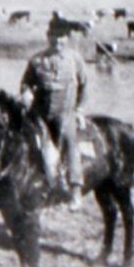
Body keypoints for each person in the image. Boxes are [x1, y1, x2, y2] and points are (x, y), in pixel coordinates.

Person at [20, 17, 88, 209]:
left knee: (70, 143)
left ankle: (75, 191)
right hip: (40, 115)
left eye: (62, 37)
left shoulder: (75, 59)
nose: (58, 41)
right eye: (55, 37)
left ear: (67, 38)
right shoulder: (36, 60)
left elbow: (85, 86)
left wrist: (80, 110)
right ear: (48, 37)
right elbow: (25, 83)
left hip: (65, 114)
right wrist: (26, 93)